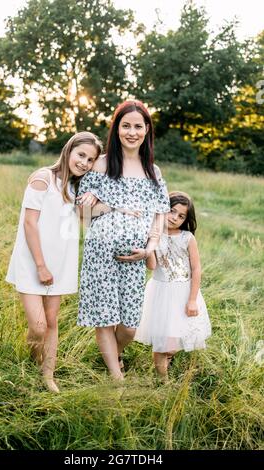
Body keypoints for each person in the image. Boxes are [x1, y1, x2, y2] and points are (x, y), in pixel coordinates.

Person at [76, 100, 170, 381]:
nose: (132, 132)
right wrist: (94, 203)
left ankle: (112, 356)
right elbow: (82, 214)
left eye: (137, 126)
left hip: (135, 256)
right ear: (116, 129)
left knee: (129, 326)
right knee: (105, 318)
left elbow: (160, 216)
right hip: (100, 252)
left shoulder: (154, 171)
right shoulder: (102, 165)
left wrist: (150, 248)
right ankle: (117, 379)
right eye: (125, 125)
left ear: (147, 130)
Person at [6, 132, 102, 392]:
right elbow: (29, 222)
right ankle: (33, 359)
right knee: (38, 326)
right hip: (33, 261)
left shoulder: (76, 187)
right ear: (68, 150)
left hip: (61, 262)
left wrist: (96, 198)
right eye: (80, 155)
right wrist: (40, 265)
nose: (84, 162)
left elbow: (89, 219)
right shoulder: (43, 178)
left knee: (52, 320)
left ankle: (48, 375)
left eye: (90, 159)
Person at [135, 191, 212, 378]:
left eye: (181, 216)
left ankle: (168, 356)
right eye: (172, 211)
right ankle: (163, 381)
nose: (175, 217)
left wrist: (192, 300)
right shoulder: (153, 234)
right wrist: (150, 244)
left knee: (176, 341)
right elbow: (152, 266)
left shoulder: (187, 238)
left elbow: (196, 269)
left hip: (183, 292)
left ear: (186, 219)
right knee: (162, 341)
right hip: (160, 292)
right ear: (162, 209)